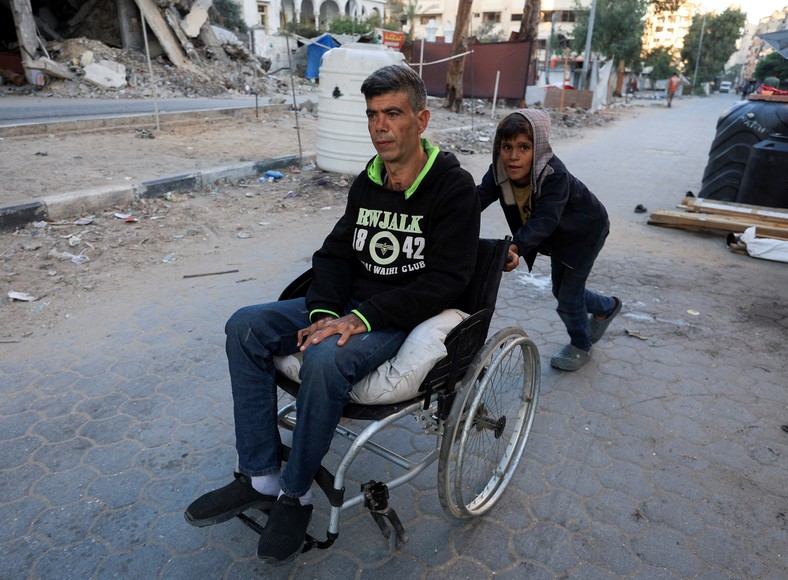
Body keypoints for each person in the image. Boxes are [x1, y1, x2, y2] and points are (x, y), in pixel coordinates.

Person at [183, 64, 480, 565]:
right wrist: (324, 311)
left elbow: (447, 281)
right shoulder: (367, 180)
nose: (379, 126)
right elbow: (336, 254)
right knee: (244, 326)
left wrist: (360, 319)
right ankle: (261, 476)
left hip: (395, 316)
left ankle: (295, 494)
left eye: (392, 114)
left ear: (422, 120)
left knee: (324, 358)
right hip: (345, 307)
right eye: (371, 115)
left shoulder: (453, 189)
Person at [477, 110, 621, 372]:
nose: (513, 156)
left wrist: (517, 247)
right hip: (558, 240)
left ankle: (581, 344)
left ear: (539, 147)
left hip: (584, 234)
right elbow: (478, 198)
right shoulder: (499, 172)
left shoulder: (555, 176)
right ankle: (607, 307)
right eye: (506, 146)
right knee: (563, 292)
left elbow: (545, 220)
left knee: (567, 297)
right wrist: (447, 214)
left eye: (524, 147)